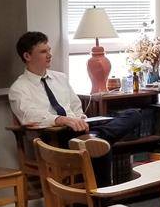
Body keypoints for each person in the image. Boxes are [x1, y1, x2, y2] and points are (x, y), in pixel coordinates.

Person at [8, 31, 142, 185]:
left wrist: (81, 119)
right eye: (43, 52)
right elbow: (29, 116)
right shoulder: (19, 88)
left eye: (49, 50)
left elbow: (76, 106)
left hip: (79, 129)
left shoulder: (60, 78)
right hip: (55, 137)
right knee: (101, 145)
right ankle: (95, 145)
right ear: (27, 56)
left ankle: (95, 137)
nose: (49, 55)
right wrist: (62, 120)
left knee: (134, 114)